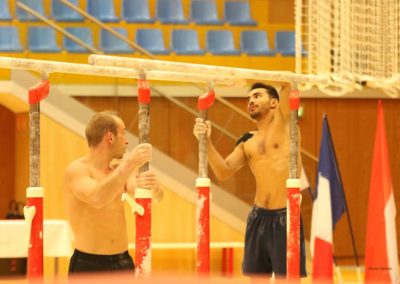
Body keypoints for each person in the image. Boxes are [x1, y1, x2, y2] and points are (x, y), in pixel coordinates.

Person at [193, 82, 306, 278]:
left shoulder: (286, 125)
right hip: (258, 217)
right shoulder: (247, 141)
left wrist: (245, 78)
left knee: (287, 279)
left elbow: (287, 85)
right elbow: (223, 172)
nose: (251, 101)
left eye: (257, 96)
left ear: (274, 103)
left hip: (285, 217)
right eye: (249, 98)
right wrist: (205, 141)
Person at [63, 111, 163, 274]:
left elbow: (154, 197)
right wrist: (130, 163)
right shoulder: (77, 171)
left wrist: (155, 189)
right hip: (89, 265)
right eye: (123, 133)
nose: (127, 140)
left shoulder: (119, 171)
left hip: (123, 262)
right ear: (110, 137)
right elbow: (98, 198)